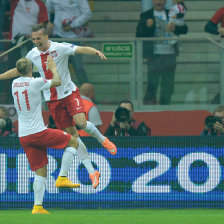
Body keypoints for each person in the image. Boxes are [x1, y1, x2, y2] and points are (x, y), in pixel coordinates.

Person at [0, 24, 117, 156]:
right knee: (72, 135)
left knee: (81, 123)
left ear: (46, 36)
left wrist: (95, 51)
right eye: (34, 39)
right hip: (52, 99)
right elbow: (18, 70)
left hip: (69, 92)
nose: (36, 42)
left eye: (39, 38)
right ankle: (88, 165)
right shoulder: (32, 54)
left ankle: (103, 140)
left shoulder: (60, 47)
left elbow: (80, 49)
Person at [12, 56, 100, 214]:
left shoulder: (14, 83)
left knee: (41, 170)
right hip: (38, 132)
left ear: (18, 71)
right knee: (73, 142)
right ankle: (62, 177)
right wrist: (52, 68)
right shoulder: (35, 82)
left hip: (23, 135)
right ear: (31, 69)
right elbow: (57, 82)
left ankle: (37, 206)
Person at [136, 0, 188, 105]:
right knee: (152, 83)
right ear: (152, 1)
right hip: (154, 55)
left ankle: (166, 107)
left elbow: (185, 29)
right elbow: (139, 33)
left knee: (168, 84)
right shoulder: (146, 15)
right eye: (156, 0)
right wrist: (147, 26)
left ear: (165, 1)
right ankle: (150, 109)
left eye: (161, 0)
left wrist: (175, 28)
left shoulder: (172, 13)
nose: (159, 2)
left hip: (170, 54)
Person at [46, 0, 93, 86]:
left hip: (75, 37)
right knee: (56, 68)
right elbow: (49, 10)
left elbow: (87, 13)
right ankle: (58, 95)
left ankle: (88, 94)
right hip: (57, 36)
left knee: (78, 67)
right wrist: (50, 22)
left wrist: (72, 25)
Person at [8, 0, 52, 69]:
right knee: (13, 69)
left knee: (30, 70)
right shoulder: (16, 1)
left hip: (32, 43)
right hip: (15, 41)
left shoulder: (40, 4)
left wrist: (34, 35)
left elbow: (42, 24)